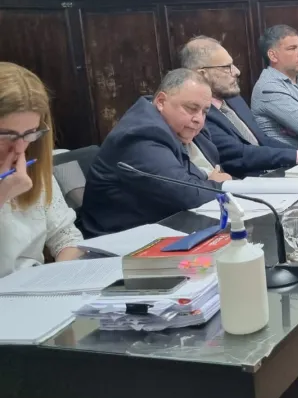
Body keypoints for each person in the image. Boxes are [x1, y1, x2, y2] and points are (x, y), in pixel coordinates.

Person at [80, 69, 231, 237]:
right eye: (191, 108)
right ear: (161, 101)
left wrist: (208, 182)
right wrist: (220, 184)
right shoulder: (141, 135)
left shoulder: (177, 126)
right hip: (122, 240)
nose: (199, 119)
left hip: (166, 225)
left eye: (204, 112)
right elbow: (187, 194)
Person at [179, 36, 298, 178]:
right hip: (244, 184)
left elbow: (262, 140)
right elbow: (239, 155)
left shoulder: (234, 99)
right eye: (227, 67)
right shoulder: (198, 114)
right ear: (202, 74)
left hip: (273, 172)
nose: (236, 71)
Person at [0, 62, 83, 277]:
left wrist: (62, 278)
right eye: (6, 135)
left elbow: (65, 236)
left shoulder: (31, 164)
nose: (20, 148)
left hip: (33, 287)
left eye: (30, 134)